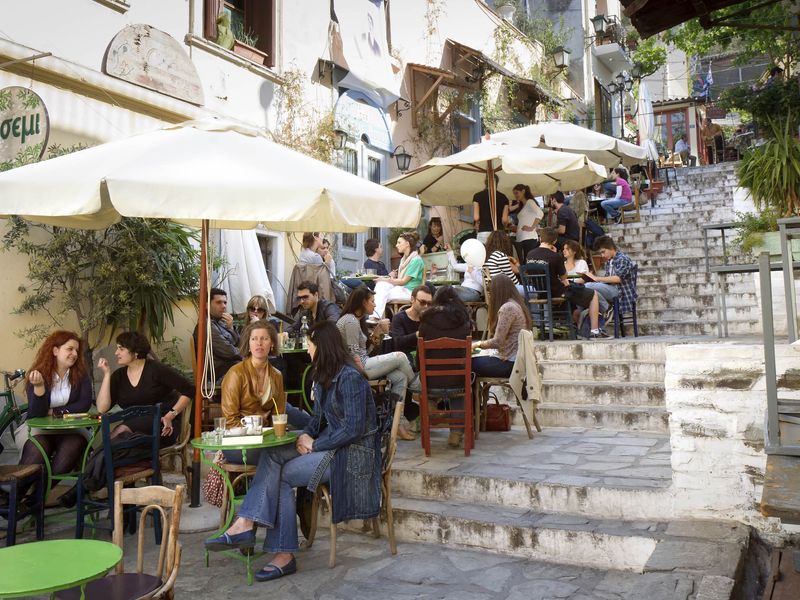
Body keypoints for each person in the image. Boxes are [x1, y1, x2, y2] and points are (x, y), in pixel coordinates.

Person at [205, 321, 381, 583]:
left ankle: (266, 539)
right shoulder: (324, 377)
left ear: (322, 347)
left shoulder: (350, 378)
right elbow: (318, 419)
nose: (308, 351)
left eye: (310, 346)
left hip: (350, 455)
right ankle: (253, 529)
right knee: (274, 456)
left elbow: (353, 429)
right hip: (331, 445)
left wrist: (315, 444)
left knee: (283, 475)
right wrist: (308, 433)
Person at [5, 330, 93, 505]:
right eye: (69, 349)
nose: (75, 354)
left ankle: (37, 496)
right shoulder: (38, 374)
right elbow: (37, 413)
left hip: (70, 429)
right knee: (38, 448)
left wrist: (54, 412)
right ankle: (13, 499)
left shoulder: (81, 375)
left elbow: (83, 405)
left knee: (74, 444)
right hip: (38, 428)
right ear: (55, 351)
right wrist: (39, 388)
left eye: (76, 350)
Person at [97, 332, 194, 446]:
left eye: (121, 349)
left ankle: (96, 460)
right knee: (119, 443)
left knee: (119, 434)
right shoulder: (119, 376)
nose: (116, 352)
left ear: (136, 352)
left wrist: (171, 415)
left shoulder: (156, 369)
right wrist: (107, 374)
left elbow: (189, 390)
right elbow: (102, 408)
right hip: (132, 429)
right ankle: (99, 461)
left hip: (161, 425)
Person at [221, 320, 297, 464]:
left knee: (301, 441)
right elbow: (230, 420)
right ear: (248, 344)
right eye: (254, 339)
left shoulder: (277, 375)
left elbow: (278, 415)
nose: (259, 343)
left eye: (264, 338)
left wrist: (272, 436)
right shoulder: (236, 373)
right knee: (285, 454)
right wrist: (257, 434)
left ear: (272, 344)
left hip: (267, 441)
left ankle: (276, 486)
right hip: (238, 442)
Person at [337, 287, 419, 410]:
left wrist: (377, 334)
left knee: (401, 377)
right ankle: (417, 387)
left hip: (362, 364)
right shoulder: (350, 321)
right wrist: (360, 377)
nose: (375, 305)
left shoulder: (357, 320)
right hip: (356, 368)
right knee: (400, 356)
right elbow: (354, 354)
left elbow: (365, 351)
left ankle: (396, 420)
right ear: (363, 302)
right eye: (372, 301)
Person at [417, 286, 472, 448]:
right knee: (462, 380)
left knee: (426, 374)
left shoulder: (425, 321)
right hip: (457, 380)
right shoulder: (464, 322)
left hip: (431, 381)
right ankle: (456, 432)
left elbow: (420, 356)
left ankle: (432, 403)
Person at [527, 229, 606, 340]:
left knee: (574, 301)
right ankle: (594, 331)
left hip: (539, 292)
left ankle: (575, 327)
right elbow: (564, 278)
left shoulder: (530, 254)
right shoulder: (555, 257)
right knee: (593, 294)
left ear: (540, 238)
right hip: (558, 292)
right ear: (554, 241)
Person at [471, 275, 530, 378]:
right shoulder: (516, 304)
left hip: (510, 363)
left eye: (490, 291)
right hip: (514, 360)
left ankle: (471, 394)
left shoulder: (508, 308)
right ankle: (477, 393)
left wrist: (478, 344)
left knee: (466, 363)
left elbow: (497, 342)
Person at [582, 235, 638, 323]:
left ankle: (606, 308)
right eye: (601, 253)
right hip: (611, 289)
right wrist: (592, 278)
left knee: (588, 286)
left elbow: (618, 279)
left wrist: (597, 278)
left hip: (620, 291)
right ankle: (603, 312)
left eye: (603, 252)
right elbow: (608, 279)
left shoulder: (623, 259)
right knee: (586, 290)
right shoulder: (610, 261)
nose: (602, 255)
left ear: (611, 247)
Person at [372, 232, 425, 320]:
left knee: (381, 293)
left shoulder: (416, 260)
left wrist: (384, 279)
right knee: (381, 287)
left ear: (407, 244)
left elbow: (404, 281)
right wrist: (385, 280)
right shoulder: (404, 260)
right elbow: (400, 281)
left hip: (410, 292)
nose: (396, 245)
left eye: (399, 242)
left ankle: (376, 318)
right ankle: (377, 318)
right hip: (402, 289)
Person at [194, 287, 242, 381]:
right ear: (207, 305)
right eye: (219, 302)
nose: (224, 306)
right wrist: (247, 353)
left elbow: (239, 343)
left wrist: (231, 328)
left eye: (225, 302)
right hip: (217, 374)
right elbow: (229, 351)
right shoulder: (206, 326)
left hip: (230, 366)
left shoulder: (221, 322)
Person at [388, 285, 435, 354]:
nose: (426, 306)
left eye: (429, 303)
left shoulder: (430, 318)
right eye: (422, 302)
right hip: (405, 357)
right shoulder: (399, 318)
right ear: (412, 299)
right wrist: (417, 335)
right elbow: (398, 343)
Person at [473, 175, 510, 243]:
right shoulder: (504, 197)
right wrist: (503, 226)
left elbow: (476, 217)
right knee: (498, 253)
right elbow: (504, 220)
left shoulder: (477, 196)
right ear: (497, 183)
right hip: (499, 233)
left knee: (484, 253)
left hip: (484, 232)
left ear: (485, 182)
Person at [513, 183, 543, 260]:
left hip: (529, 238)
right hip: (522, 238)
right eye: (514, 194)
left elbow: (540, 213)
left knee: (528, 262)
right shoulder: (522, 205)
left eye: (517, 193)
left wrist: (532, 227)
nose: (515, 195)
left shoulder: (530, 202)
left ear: (523, 191)